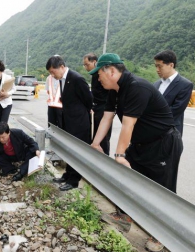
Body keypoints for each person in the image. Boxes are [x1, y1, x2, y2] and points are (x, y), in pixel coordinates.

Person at [89, 53, 183, 252]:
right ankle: (124, 217)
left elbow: (128, 125)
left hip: (163, 143)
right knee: (125, 177)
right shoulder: (115, 90)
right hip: (141, 144)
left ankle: (161, 235)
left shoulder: (136, 87)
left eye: (100, 74)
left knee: (162, 190)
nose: (98, 78)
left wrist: (120, 155)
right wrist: (95, 144)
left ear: (112, 71)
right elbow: (107, 118)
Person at [46, 55, 93, 191]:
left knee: (76, 153)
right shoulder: (63, 79)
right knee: (69, 151)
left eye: (53, 72)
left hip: (79, 123)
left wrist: (79, 114)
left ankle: (73, 181)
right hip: (68, 122)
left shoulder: (77, 79)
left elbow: (88, 100)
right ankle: (67, 175)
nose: (52, 75)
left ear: (61, 67)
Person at [153, 50, 193, 136]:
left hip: (170, 133)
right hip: (153, 132)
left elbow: (175, 110)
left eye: (160, 66)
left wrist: (151, 116)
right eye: (156, 66)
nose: (157, 70)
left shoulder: (185, 85)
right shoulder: (156, 84)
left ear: (171, 65)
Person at [83, 53, 111, 155]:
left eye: (87, 64)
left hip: (104, 108)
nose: (86, 67)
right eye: (84, 65)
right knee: (95, 136)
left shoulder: (101, 74)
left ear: (94, 62)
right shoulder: (94, 75)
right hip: (96, 108)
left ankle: (105, 160)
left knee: (103, 138)